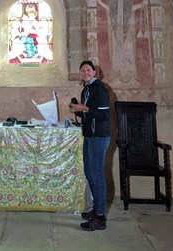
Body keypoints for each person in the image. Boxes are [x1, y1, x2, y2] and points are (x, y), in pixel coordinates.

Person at [69, 60, 111, 231]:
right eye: (82, 70)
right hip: (89, 136)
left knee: (97, 175)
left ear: (94, 72)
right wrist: (77, 110)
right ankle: (96, 209)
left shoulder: (99, 89)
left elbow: (103, 115)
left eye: (88, 70)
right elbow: (89, 114)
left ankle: (100, 217)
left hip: (99, 137)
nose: (85, 73)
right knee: (89, 173)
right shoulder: (86, 89)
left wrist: (84, 109)